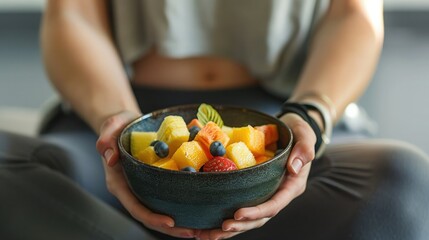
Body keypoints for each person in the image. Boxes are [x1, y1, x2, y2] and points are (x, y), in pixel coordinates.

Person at [35, 0, 429, 239]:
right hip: (125, 109)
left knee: (404, 182)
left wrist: (311, 110)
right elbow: (72, 15)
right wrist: (115, 118)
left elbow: (355, 15)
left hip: (289, 111)